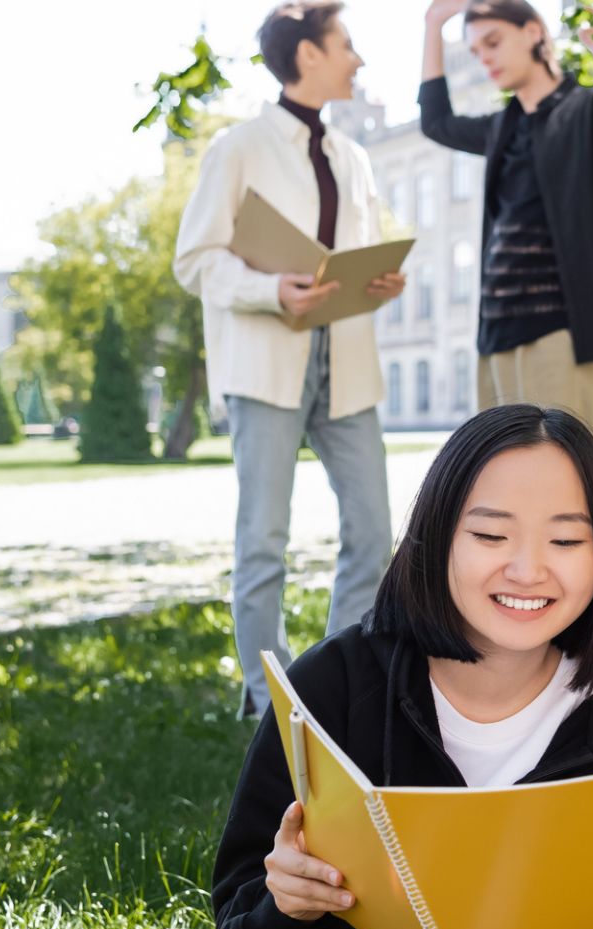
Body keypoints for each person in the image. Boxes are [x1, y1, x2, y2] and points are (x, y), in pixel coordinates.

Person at [209, 405, 593, 929]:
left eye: (567, 542)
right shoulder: (332, 691)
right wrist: (282, 905)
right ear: (437, 538)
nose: (528, 569)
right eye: (490, 535)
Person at [175, 1, 406, 718]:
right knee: (264, 538)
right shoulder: (237, 147)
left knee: (373, 531)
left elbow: (347, 262)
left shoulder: (354, 156)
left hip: (347, 366)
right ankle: (265, 700)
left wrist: (378, 282)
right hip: (266, 365)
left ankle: (335, 693)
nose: (358, 58)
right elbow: (195, 260)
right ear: (308, 53)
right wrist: (271, 289)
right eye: (347, 44)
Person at [418, 0, 593, 431]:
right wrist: (433, 23)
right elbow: (436, 123)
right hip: (495, 330)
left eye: (493, 42)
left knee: (560, 468)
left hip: (560, 328)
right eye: (476, 51)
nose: (485, 58)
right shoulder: (500, 128)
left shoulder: (588, 108)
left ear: (534, 32)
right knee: (496, 471)